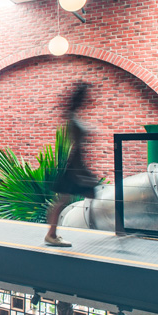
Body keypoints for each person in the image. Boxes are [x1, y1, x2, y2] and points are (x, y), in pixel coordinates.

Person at [45, 81, 97, 247]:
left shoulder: (74, 118)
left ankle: (51, 233)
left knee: (70, 198)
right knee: (64, 200)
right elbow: (76, 146)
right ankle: (51, 234)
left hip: (77, 165)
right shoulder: (73, 120)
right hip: (76, 165)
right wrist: (79, 171)